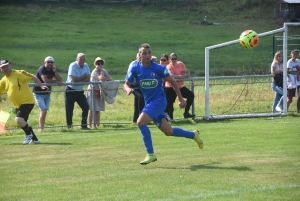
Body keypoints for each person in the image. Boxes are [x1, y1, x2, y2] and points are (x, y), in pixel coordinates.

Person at [124, 43, 203, 165]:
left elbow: (173, 82)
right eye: (144, 53)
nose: (147, 55)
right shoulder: (135, 68)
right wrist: (128, 89)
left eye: (149, 53)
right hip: (149, 103)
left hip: (160, 102)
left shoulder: (158, 68)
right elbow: (126, 84)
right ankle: (193, 135)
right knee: (168, 131)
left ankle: (150, 154)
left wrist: (181, 99)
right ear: (139, 55)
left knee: (140, 122)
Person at [0, 59, 48, 144]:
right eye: (3, 67)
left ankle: (28, 134)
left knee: (18, 119)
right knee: (23, 122)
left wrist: (41, 86)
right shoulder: (3, 80)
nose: (5, 68)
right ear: (1, 69)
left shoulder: (19, 73)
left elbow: (33, 77)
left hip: (27, 101)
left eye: (6, 66)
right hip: (18, 105)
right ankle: (35, 139)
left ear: (10, 65)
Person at [33, 56, 63, 132]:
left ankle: (41, 128)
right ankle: (40, 129)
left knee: (44, 111)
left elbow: (60, 80)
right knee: (44, 110)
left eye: (51, 62)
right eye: (48, 62)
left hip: (47, 93)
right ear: (44, 63)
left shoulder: (52, 70)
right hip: (38, 93)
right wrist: (55, 81)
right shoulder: (42, 69)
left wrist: (55, 71)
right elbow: (45, 80)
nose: (50, 63)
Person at [164, 53, 195, 119]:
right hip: (170, 87)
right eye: (172, 59)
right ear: (170, 59)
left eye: (175, 58)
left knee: (191, 95)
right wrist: (182, 76)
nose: (174, 60)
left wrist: (183, 75)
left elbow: (187, 71)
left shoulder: (181, 64)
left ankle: (186, 113)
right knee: (170, 102)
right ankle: (170, 118)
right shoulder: (169, 66)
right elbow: (171, 76)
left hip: (180, 86)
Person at [65, 53, 91, 130]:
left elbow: (88, 79)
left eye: (83, 59)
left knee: (86, 106)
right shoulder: (72, 65)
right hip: (70, 90)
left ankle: (84, 125)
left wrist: (78, 79)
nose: (82, 61)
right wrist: (83, 77)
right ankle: (69, 127)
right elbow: (73, 79)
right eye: (80, 59)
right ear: (77, 59)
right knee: (69, 109)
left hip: (80, 91)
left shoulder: (86, 65)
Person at [86, 57, 112, 128]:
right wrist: (103, 77)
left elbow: (110, 78)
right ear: (95, 64)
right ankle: (90, 125)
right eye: (98, 63)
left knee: (98, 109)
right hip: (92, 91)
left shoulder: (104, 71)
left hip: (99, 91)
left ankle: (97, 125)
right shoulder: (94, 72)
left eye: (101, 63)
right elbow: (100, 78)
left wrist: (105, 78)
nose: (100, 65)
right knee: (91, 109)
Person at [127, 53, 144, 123]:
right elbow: (131, 75)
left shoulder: (143, 64)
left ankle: (135, 119)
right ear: (136, 58)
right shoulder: (133, 64)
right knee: (141, 97)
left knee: (137, 101)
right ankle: (141, 116)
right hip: (132, 85)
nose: (140, 59)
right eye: (139, 57)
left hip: (139, 85)